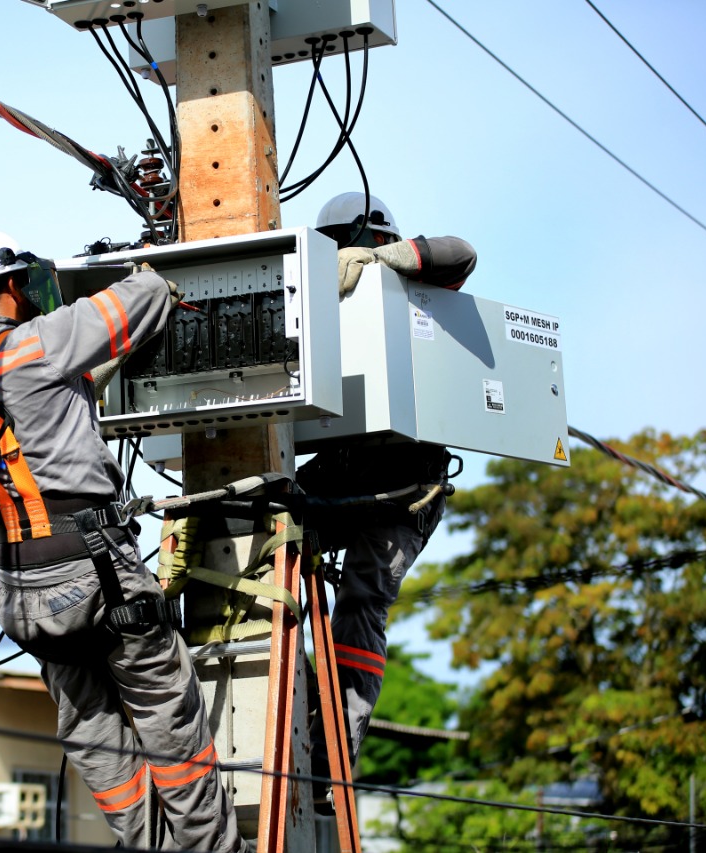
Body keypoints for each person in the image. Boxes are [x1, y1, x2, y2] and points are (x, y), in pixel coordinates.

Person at [0, 230, 247, 852]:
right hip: (94, 568)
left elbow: (23, 430)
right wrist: (148, 259)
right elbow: (148, 292)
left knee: (92, 734)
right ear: (8, 284)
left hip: (20, 590)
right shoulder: (43, 341)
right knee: (170, 719)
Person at [297, 192, 477, 799]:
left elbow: (460, 252)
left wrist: (385, 262)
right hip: (341, 471)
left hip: (404, 487)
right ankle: (281, 699)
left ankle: (334, 752)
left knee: (362, 598)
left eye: (350, 247)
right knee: (261, 518)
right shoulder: (321, 300)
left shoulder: (416, 291)